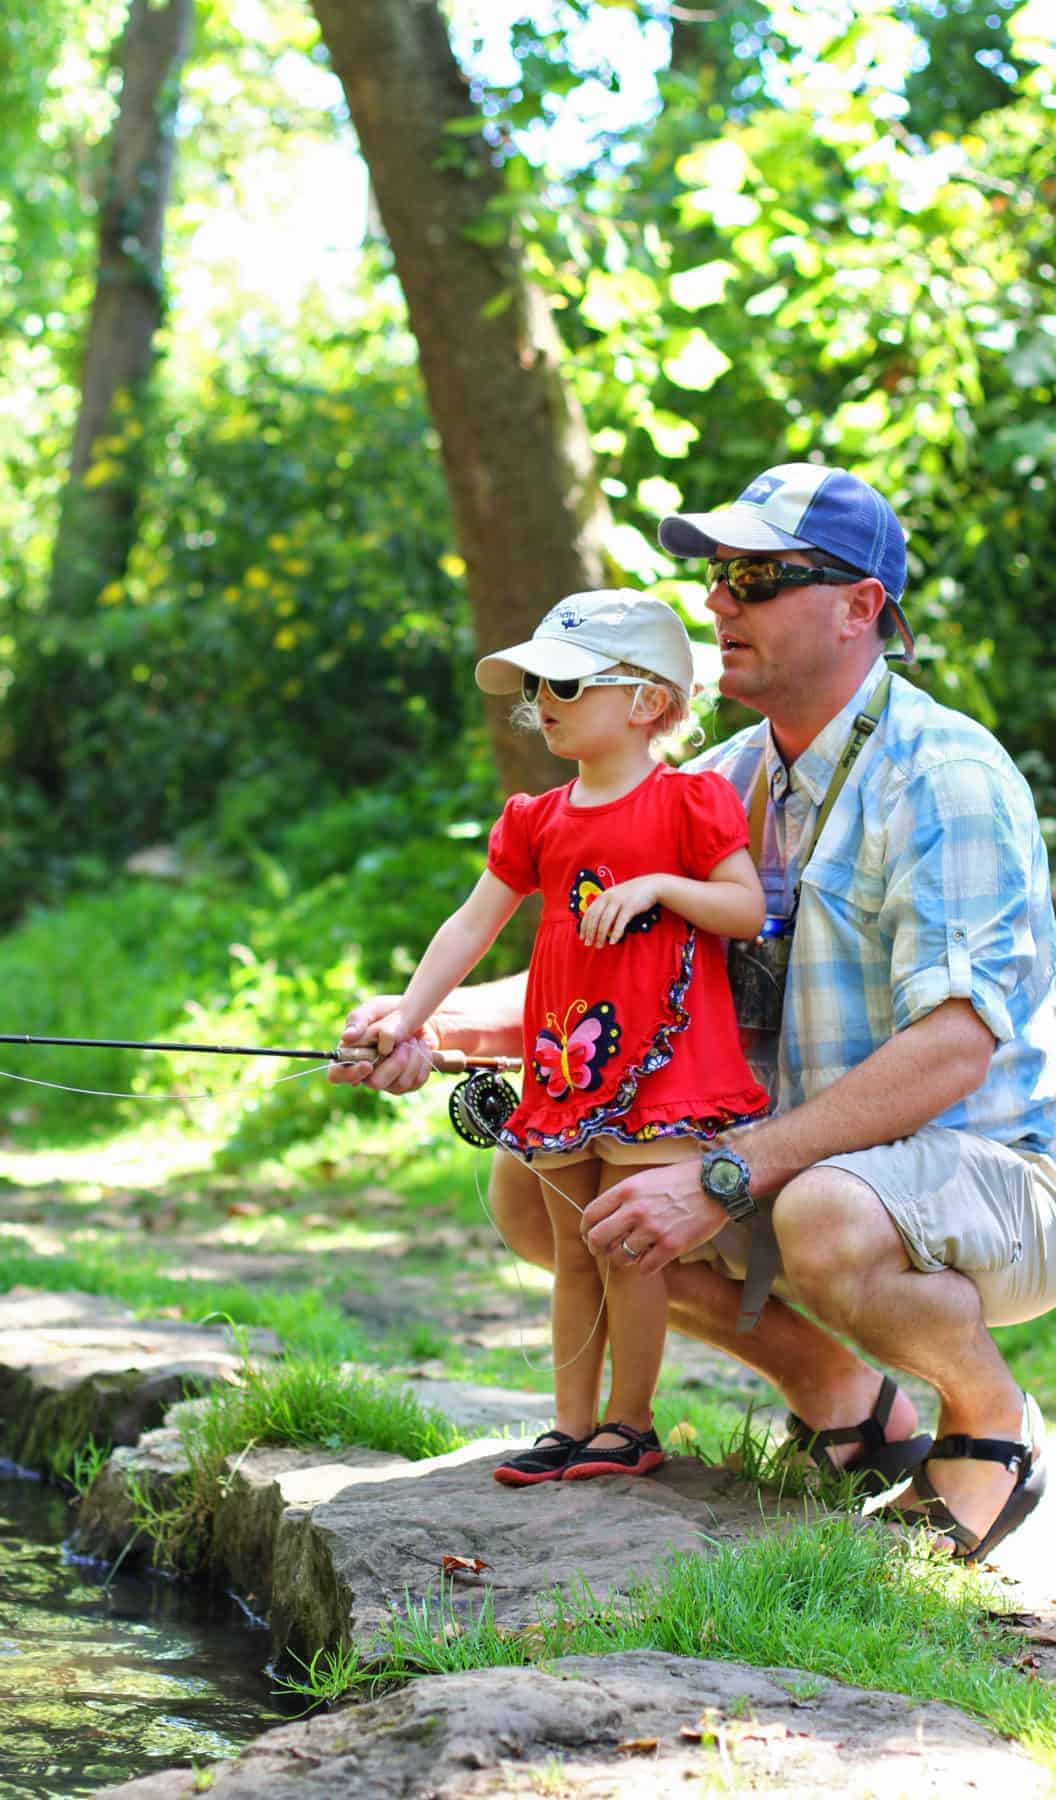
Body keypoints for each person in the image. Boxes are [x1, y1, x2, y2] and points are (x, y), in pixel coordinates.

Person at [335, 462, 1054, 1562]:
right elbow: (597, 977)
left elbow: (955, 1049)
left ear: (861, 608)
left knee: (821, 1215)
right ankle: (847, 1406)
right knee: (542, 1193)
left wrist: (728, 1171)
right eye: (718, 577)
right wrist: (425, 1025)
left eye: (758, 577)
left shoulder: (941, 776)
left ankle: (993, 1424)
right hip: (807, 1157)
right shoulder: (715, 782)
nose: (718, 601)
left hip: (988, 1168)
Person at [368, 589, 769, 1485]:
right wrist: (408, 1015)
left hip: (658, 1070)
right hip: (564, 1068)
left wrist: (663, 888)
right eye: (535, 683)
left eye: (565, 682)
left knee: (630, 1251)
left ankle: (630, 1426)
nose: (541, 699)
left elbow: (745, 909)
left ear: (648, 702)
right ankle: (568, 1424)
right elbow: (470, 927)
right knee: (575, 1254)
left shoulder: (689, 804)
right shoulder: (536, 819)